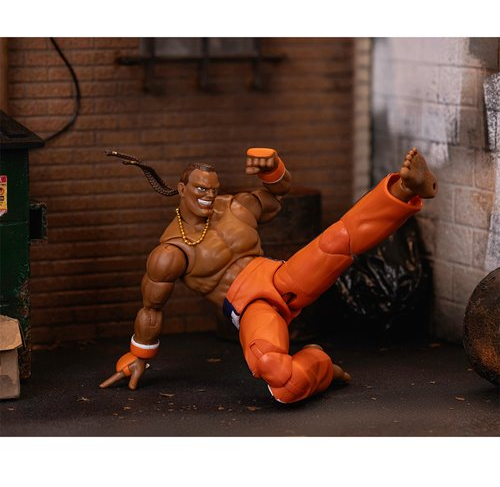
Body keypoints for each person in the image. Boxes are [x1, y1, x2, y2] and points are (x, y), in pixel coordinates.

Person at [100, 147, 437, 403]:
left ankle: (405, 188)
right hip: (251, 307)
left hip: (279, 277)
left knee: (338, 239)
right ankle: (319, 364)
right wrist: (139, 356)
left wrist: (273, 169)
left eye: (213, 189)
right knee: (279, 377)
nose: (209, 197)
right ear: (181, 188)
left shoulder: (233, 207)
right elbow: (151, 309)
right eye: (201, 190)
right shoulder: (171, 252)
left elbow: (276, 196)